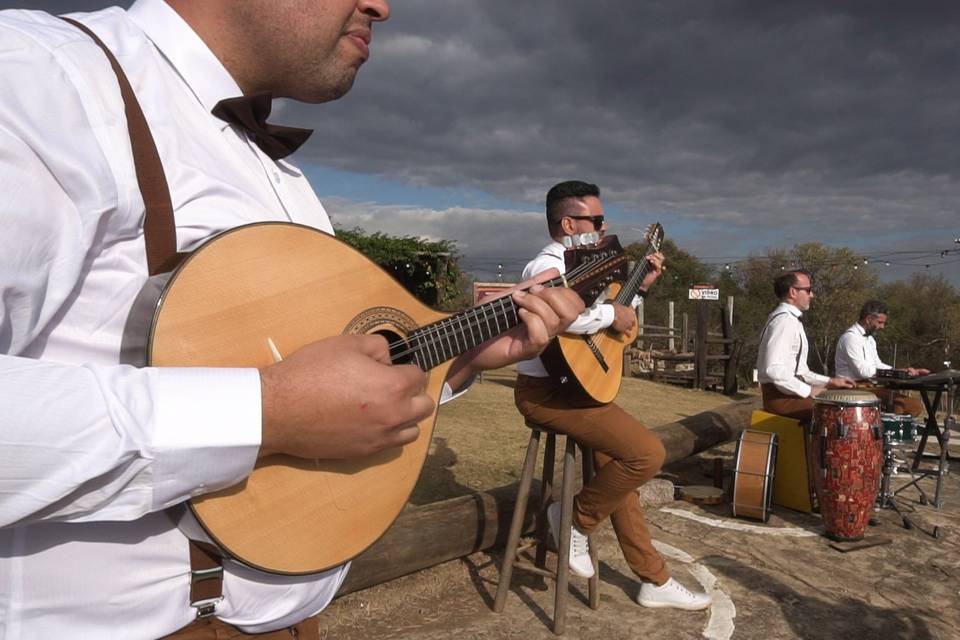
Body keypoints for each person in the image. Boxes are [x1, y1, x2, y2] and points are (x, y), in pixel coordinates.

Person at [0, 2, 584, 638]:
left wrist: (460, 355)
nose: (382, 7)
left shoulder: (278, 172)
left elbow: (321, 376)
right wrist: (265, 411)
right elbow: (289, 400)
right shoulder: (38, 76)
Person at [513, 180, 712, 611]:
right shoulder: (545, 265)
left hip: (581, 388)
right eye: (597, 220)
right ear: (568, 223)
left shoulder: (588, 264)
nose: (604, 228)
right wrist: (610, 311)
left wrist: (638, 291)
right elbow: (563, 317)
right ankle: (571, 520)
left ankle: (654, 580)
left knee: (622, 480)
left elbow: (612, 324)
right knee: (646, 455)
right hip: (548, 393)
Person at [756, 269, 855, 422]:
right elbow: (773, 369)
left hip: (788, 395)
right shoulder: (784, 322)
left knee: (847, 403)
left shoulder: (790, 320)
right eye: (808, 290)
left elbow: (801, 371)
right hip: (781, 400)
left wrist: (831, 381)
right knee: (842, 412)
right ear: (793, 292)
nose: (812, 295)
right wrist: (809, 390)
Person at [835, 300, 928, 416]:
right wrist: (895, 373)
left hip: (867, 388)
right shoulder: (850, 338)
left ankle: (887, 430)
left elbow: (877, 364)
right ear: (868, 319)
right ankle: (887, 431)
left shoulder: (870, 340)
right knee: (907, 405)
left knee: (912, 405)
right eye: (880, 322)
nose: (882, 327)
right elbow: (862, 371)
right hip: (852, 389)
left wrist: (901, 371)